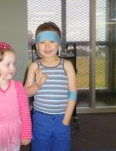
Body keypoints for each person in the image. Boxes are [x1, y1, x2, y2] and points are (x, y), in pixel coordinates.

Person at [24, 22, 77, 151]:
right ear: (37, 45)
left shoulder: (67, 65)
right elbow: (26, 93)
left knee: (62, 147)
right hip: (40, 119)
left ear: (58, 44)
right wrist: (38, 85)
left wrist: (66, 119)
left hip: (62, 118)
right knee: (40, 147)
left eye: (52, 41)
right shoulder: (34, 66)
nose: (47, 46)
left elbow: (73, 94)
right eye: (42, 42)